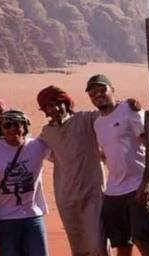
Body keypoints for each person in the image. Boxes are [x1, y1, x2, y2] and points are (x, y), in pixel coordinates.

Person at [86, 74, 149, 256]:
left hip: (137, 188)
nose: (98, 95)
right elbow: (108, 153)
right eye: (93, 92)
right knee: (121, 243)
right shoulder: (98, 123)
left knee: (143, 239)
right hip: (113, 191)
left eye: (102, 90)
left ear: (112, 90)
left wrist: (147, 183)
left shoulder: (128, 109)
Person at [36, 85, 106, 256]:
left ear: (65, 103)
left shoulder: (85, 119)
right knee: (78, 248)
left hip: (93, 194)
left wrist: (130, 105)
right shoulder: (46, 133)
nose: (53, 109)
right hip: (66, 197)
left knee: (98, 245)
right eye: (48, 107)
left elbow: (110, 115)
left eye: (56, 104)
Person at [0, 109, 51, 256]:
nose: (12, 129)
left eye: (17, 124)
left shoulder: (38, 145)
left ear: (24, 126)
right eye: (7, 125)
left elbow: (63, 153)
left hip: (33, 215)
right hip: (4, 217)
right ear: (1, 129)